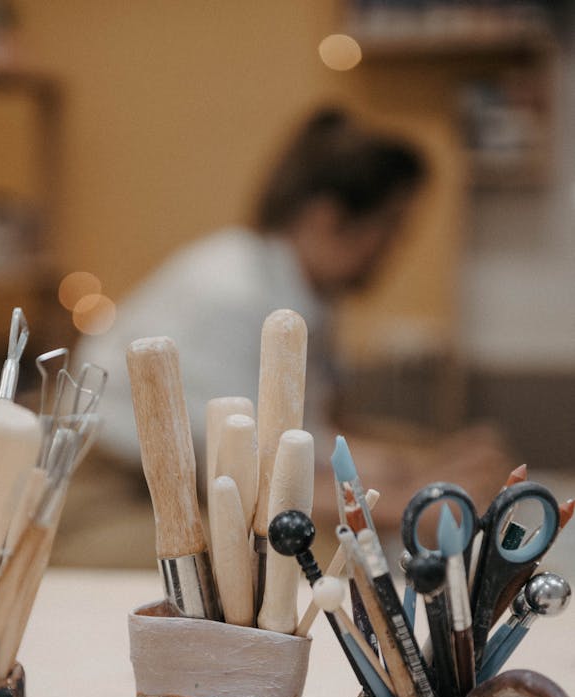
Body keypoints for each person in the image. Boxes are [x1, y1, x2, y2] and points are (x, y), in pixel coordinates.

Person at [54, 106, 508, 568]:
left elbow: (307, 434)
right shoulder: (231, 294)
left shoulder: (301, 292)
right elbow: (247, 483)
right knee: (313, 562)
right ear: (326, 219)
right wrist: (410, 505)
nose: (395, 248)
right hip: (110, 496)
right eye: (389, 227)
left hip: (195, 483)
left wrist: (426, 466)